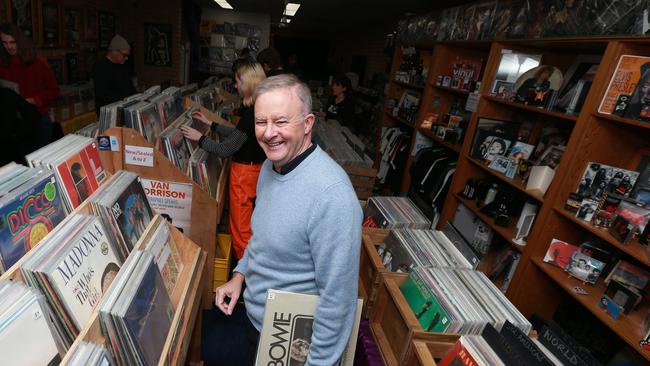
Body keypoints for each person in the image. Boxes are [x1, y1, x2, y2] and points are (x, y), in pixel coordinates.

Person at [215, 74, 362, 365]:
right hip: (255, 322)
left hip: (291, 342)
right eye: (261, 122)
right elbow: (261, 238)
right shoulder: (271, 166)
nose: (269, 133)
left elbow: (338, 301)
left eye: (281, 122)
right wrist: (239, 275)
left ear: (308, 125)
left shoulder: (333, 196)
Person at [180, 61, 266, 259]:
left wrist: (199, 138)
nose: (236, 86)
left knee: (240, 227)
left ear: (250, 83)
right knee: (244, 224)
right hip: (253, 171)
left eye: (238, 81)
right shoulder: (256, 109)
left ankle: (242, 274)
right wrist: (211, 124)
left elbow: (226, 149)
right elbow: (240, 135)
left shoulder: (250, 114)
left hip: (245, 175)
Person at [0, 23, 59, 147]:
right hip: (16, 120)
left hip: (39, 118)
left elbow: (54, 91)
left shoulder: (38, 61)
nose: (9, 46)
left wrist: (34, 100)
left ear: (20, 41)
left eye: (12, 42)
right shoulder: (4, 62)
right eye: (5, 43)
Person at [92, 34, 136, 115]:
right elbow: (102, 93)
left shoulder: (123, 65)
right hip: (109, 113)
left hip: (125, 109)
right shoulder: (100, 66)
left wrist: (139, 97)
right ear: (114, 51)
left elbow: (130, 87)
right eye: (124, 55)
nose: (126, 58)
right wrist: (125, 101)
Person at [0, 87, 41, 166]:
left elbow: (32, 113)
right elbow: (32, 113)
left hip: (9, 145)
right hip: (12, 145)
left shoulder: (6, 93)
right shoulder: (6, 92)